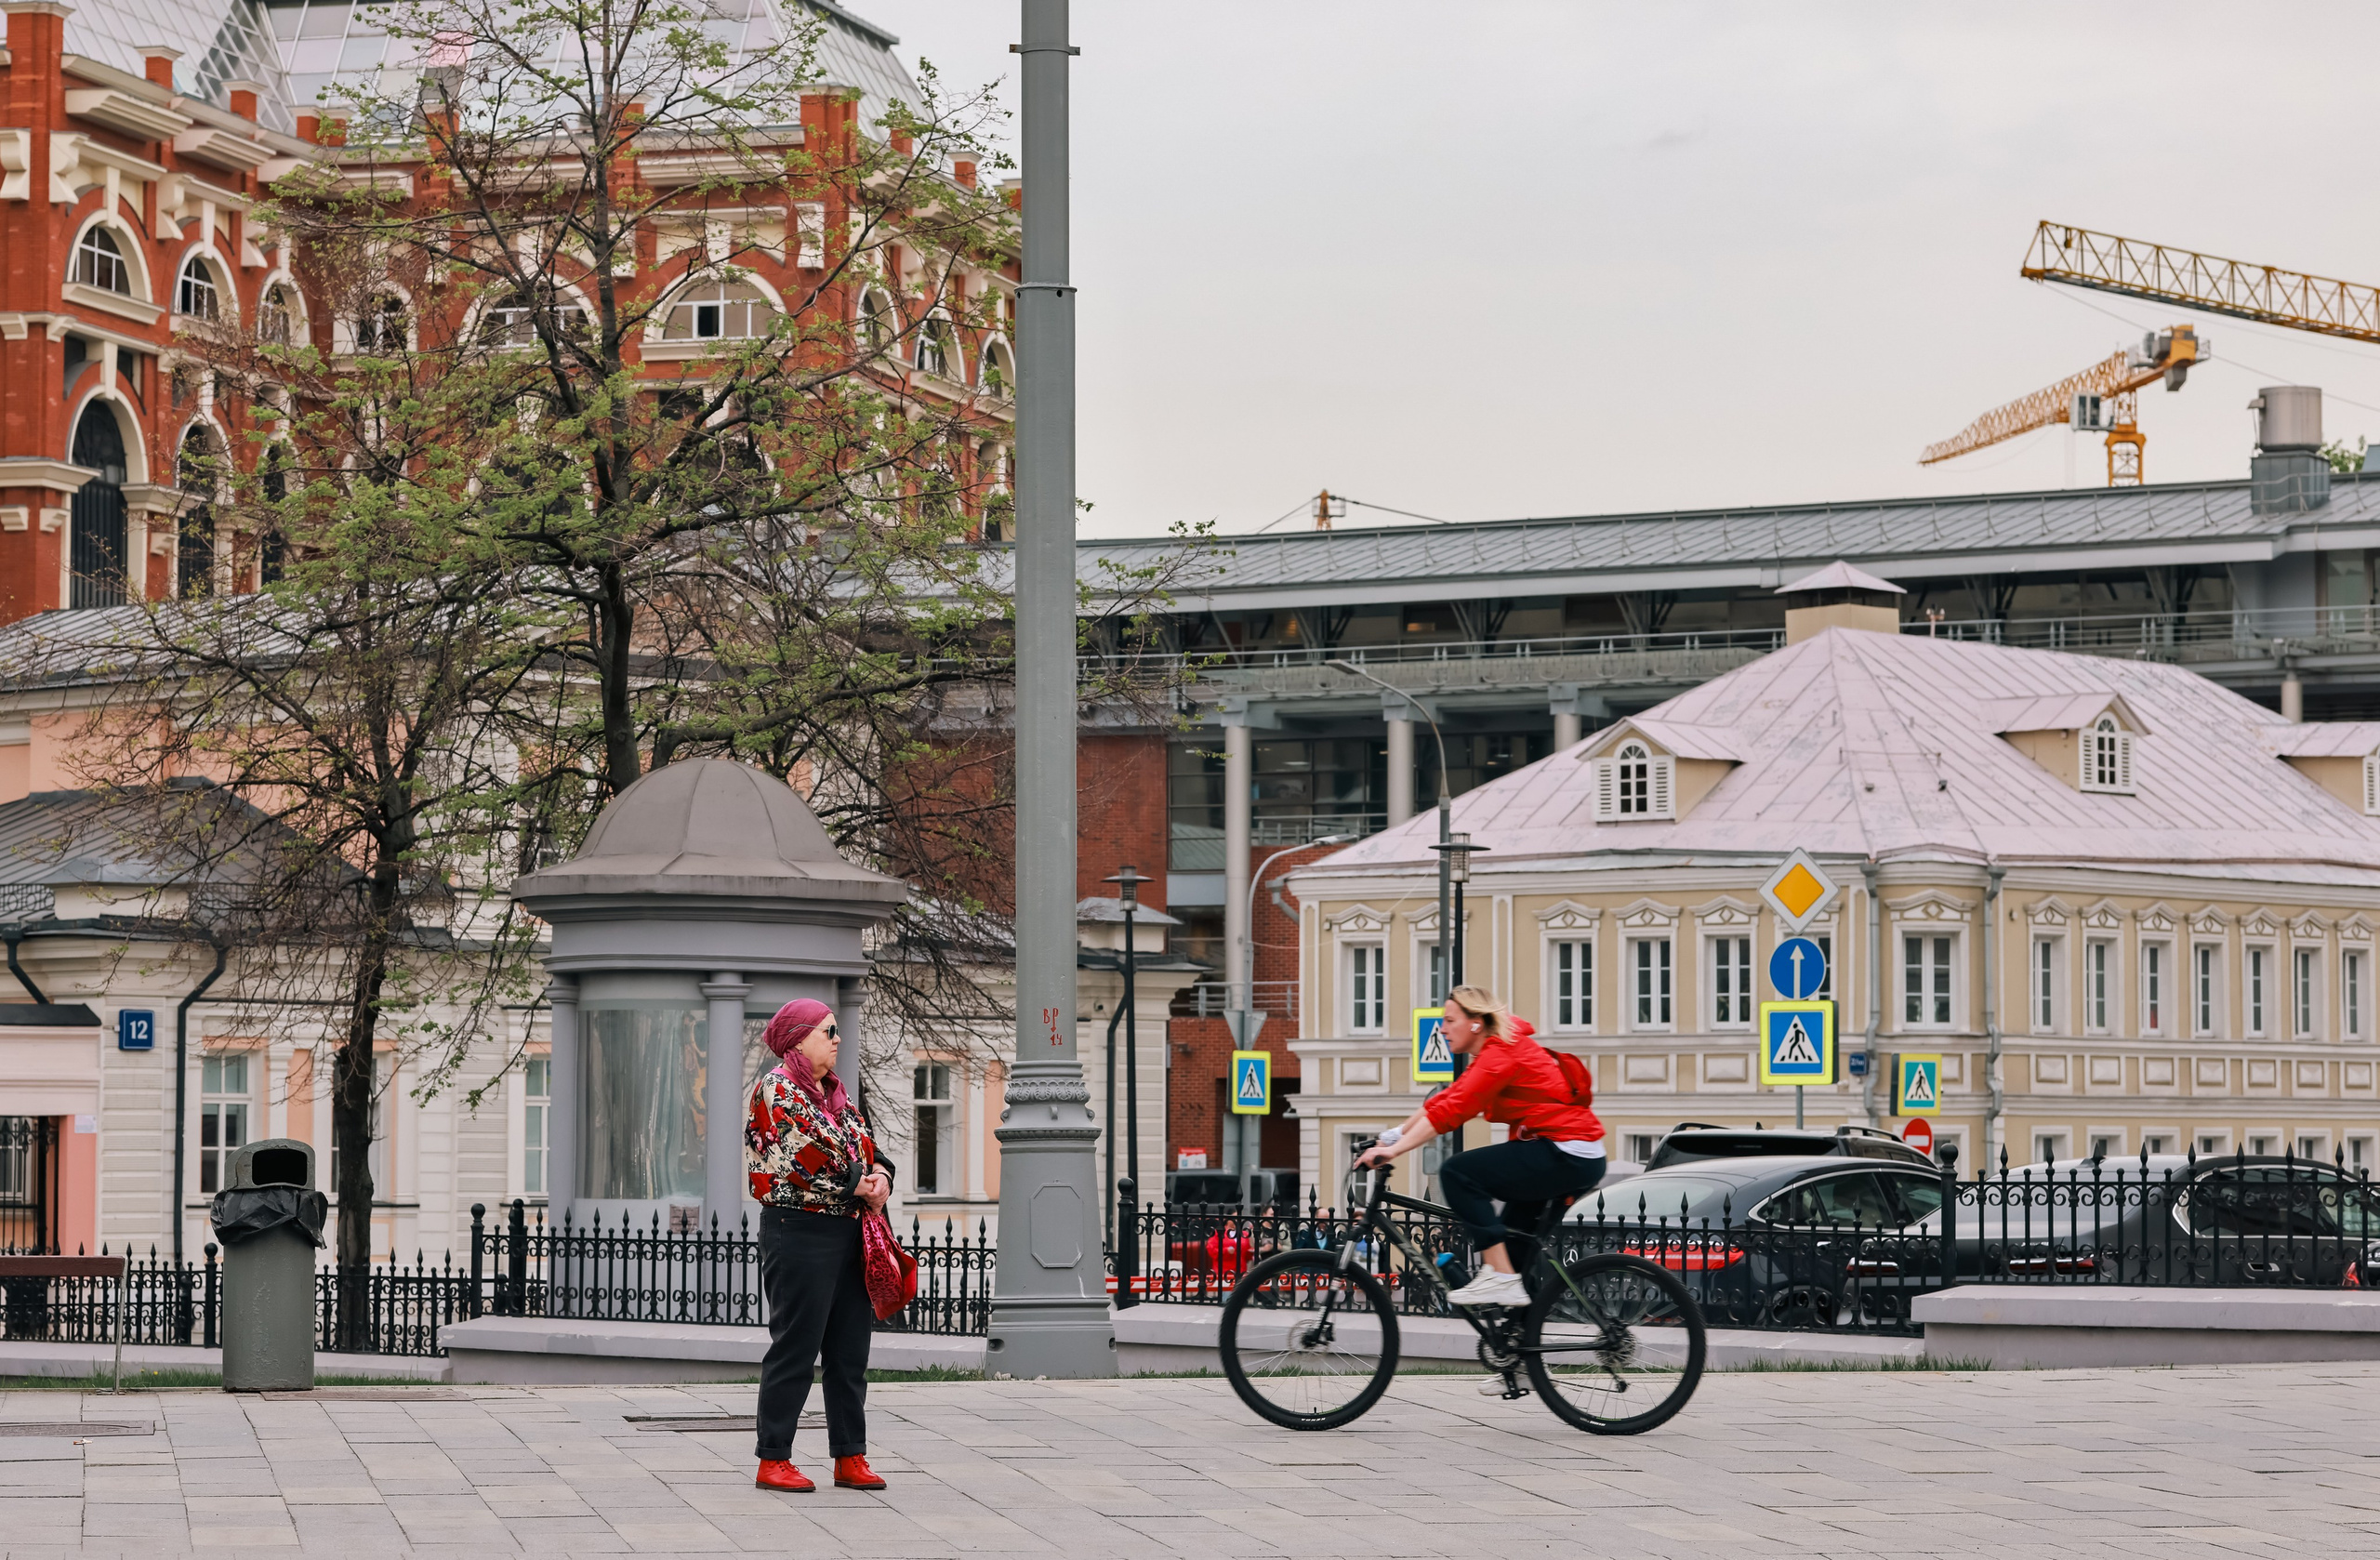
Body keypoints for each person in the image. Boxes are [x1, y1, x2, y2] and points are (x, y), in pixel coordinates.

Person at [1355, 984, 1604, 1310]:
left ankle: (1501, 1279)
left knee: (1458, 1172)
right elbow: (1445, 1098)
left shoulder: (1501, 1054)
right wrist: (1391, 1137)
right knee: (1512, 1248)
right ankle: (1517, 1334)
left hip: (1565, 1152)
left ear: (1475, 1022)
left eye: (1449, 1020)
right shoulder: (1494, 1050)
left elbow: (1452, 1112)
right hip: (1568, 1152)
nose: (1441, 1028)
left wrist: (1394, 1152)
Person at [745, 998, 893, 1493]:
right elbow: (802, 1158)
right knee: (796, 1345)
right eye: (828, 1031)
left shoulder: (837, 1096)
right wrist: (860, 1183)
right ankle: (774, 1459)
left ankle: (850, 1455)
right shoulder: (777, 1090)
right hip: (799, 1230)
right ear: (799, 1038)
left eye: (836, 1030)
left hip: (848, 1230)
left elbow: (869, 1149)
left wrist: (881, 1176)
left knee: (849, 1350)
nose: (837, 1038)